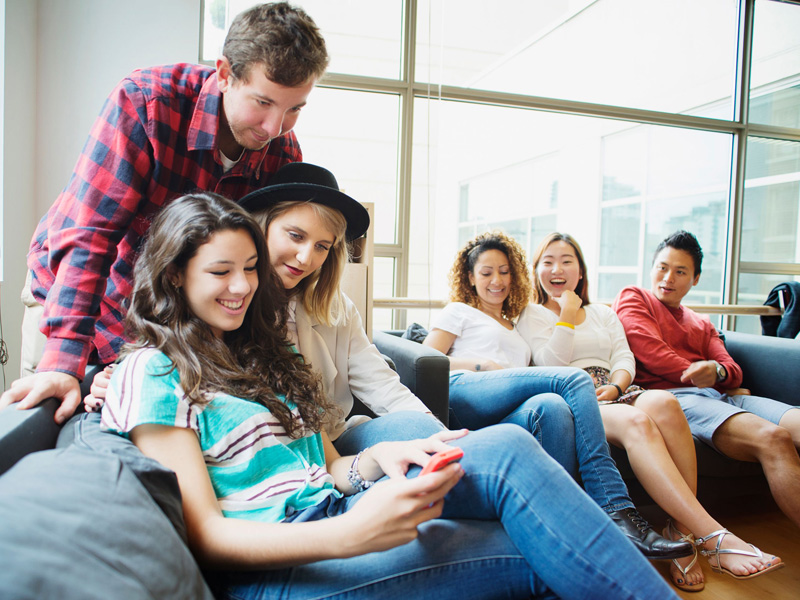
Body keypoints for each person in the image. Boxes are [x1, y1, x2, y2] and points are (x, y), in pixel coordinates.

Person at [99, 190, 678, 600]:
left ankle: (621, 521)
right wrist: (353, 533)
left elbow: (329, 467)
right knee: (549, 552)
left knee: (512, 457)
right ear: (175, 274)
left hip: (331, 508)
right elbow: (204, 535)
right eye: (221, 271)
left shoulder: (262, 352)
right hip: (288, 564)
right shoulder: (152, 371)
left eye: (249, 269)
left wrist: (378, 460)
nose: (244, 285)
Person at [0, 2, 329, 424]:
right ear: (225, 73)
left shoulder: (282, 150)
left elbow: (251, 267)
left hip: (170, 325)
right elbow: (89, 235)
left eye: (294, 108)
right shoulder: (148, 103)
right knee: (52, 418)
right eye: (262, 103)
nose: (274, 127)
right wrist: (64, 361)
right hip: (77, 299)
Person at [86, 163, 444, 455]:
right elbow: (171, 355)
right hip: (272, 450)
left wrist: (442, 434)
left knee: (423, 432)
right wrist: (114, 379)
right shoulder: (227, 302)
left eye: (322, 246)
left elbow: (381, 383)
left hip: (332, 441)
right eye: (296, 236)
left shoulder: (335, 306)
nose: (307, 258)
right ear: (264, 225)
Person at [520, 232, 782, 590]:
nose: (557, 269)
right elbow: (549, 362)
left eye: (567, 261)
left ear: (580, 272)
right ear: (536, 271)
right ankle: (713, 537)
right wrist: (566, 314)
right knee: (638, 423)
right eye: (547, 262)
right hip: (575, 394)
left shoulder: (601, 312)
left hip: (617, 387)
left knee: (665, 402)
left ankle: (679, 528)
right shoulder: (531, 314)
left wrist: (616, 385)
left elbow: (623, 356)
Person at [422, 231, 692, 560]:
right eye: (487, 272)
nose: (497, 280)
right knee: (575, 381)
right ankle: (616, 510)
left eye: (505, 271)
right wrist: (481, 364)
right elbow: (426, 362)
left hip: (507, 402)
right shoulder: (459, 311)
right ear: (469, 277)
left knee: (553, 407)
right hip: (469, 390)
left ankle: (563, 527)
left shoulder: (513, 321)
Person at [613, 229, 800, 532]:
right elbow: (650, 352)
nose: (668, 278)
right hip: (676, 398)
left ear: (695, 279)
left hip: (723, 395)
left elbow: (731, 368)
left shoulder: (701, 321)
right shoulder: (635, 297)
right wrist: (708, 375)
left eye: (680, 271)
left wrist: (720, 374)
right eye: (662, 267)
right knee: (774, 439)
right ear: (651, 269)